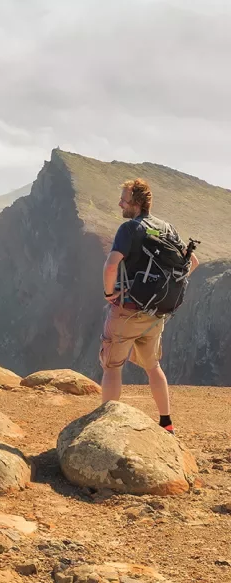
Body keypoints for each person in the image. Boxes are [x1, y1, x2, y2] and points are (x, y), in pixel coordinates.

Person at [100, 178, 198, 433]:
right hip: (156, 313)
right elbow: (193, 262)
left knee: (112, 367)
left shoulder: (130, 228)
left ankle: (106, 428)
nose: (120, 202)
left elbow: (111, 265)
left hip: (128, 309)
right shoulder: (166, 228)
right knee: (153, 367)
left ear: (137, 203)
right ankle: (166, 422)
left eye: (124, 198)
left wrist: (109, 293)